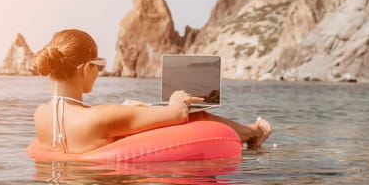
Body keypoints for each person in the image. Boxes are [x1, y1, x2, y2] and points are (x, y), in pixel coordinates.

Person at [32, 29, 272, 154]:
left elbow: (83, 118)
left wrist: (122, 111)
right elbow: (178, 114)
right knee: (197, 116)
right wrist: (178, 98)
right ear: (85, 68)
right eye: (99, 66)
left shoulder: (40, 114)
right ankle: (254, 132)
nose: (98, 72)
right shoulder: (102, 116)